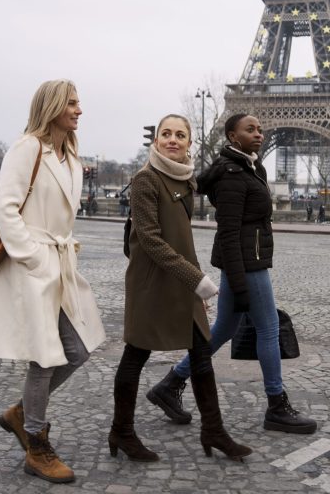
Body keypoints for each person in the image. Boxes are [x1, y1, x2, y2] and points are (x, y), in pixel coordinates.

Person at [147, 113, 317, 435]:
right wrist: (239, 285)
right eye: (249, 129)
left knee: (223, 328)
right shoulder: (232, 175)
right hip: (246, 266)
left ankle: (171, 383)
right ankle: (276, 406)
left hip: (246, 261)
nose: (259, 133)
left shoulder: (250, 167)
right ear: (231, 135)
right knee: (268, 330)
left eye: (260, 128)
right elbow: (227, 233)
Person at [0, 79, 106, 484]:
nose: (79, 109)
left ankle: (21, 414)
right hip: (33, 266)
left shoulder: (70, 156)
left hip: (59, 263)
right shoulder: (27, 148)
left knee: (77, 349)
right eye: (72, 102)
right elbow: (5, 207)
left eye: (78, 102)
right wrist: (33, 257)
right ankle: (36, 443)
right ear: (52, 106)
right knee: (45, 354)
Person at [109, 114, 251, 462]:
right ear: (156, 140)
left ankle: (213, 431)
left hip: (180, 278)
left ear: (190, 143)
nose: (173, 140)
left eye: (181, 135)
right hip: (151, 281)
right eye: (166, 134)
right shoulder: (145, 180)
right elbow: (152, 241)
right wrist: (197, 280)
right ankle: (122, 432)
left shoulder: (186, 181)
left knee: (202, 354)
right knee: (136, 353)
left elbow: (182, 240)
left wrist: (193, 282)